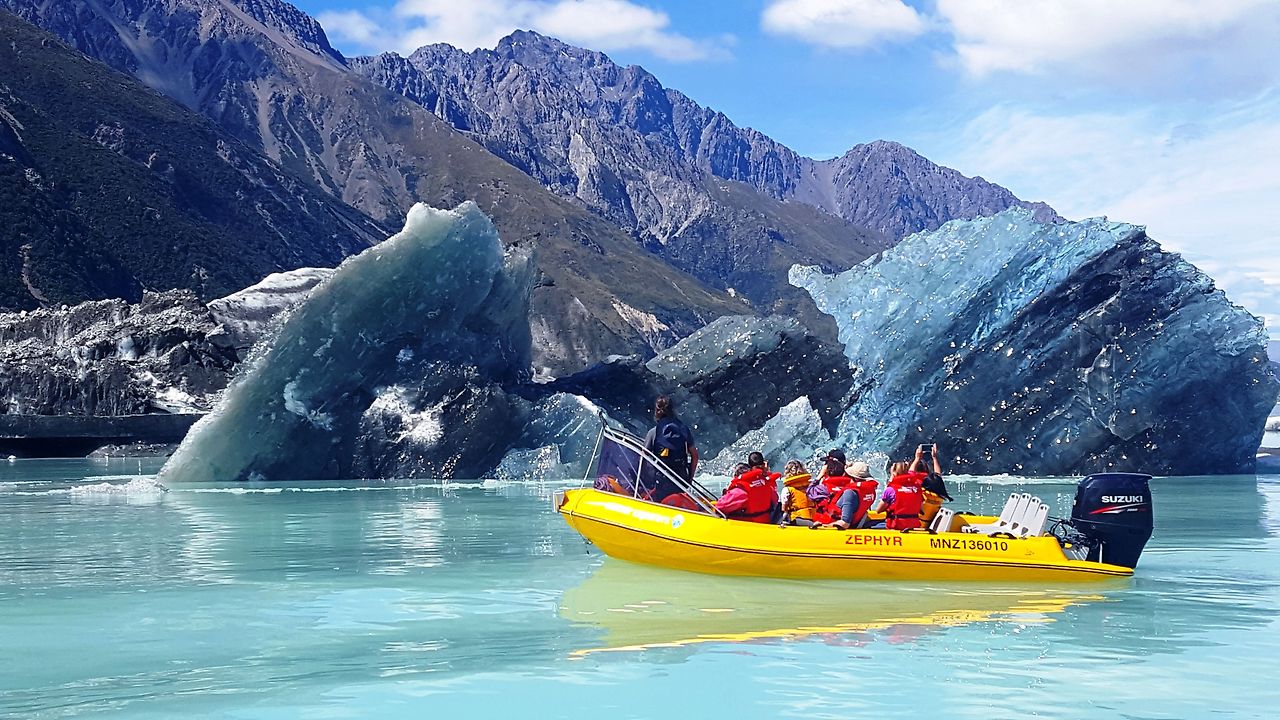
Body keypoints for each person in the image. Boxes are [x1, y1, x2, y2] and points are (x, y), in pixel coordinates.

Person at [644, 395, 699, 505]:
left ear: (657, 411)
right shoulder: (683, 429)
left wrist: (646, 482)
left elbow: (642, 457)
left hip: (661, 482)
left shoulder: (654, 432)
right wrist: (689, 479)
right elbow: (695, 455)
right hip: (681, 479)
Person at [715, 451, 779, 523]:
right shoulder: (767, 485)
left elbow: (720, 507)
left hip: (746, 527)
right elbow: (775, 500)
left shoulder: (740, 490)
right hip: (765, 523)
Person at [868, 459, 927, 530]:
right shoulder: (917, 488)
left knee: (870, 525)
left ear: (894, 474)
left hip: (897, 526)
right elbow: (921, 509)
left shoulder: (890, 490)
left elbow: (878, 510)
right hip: (914, 526)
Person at [913, 444, 954, 525]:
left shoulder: (921, 493)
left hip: (916, 526)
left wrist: (917, 459)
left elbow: (911, 475)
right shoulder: (939, 495)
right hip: (929, 525)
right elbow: (938, 477)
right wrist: (934, 457)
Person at [780, 460, 816, 526]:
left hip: (798, 519)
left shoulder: (787, 489)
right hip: (814, 517)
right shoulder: (811, 486)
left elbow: (783, 508)